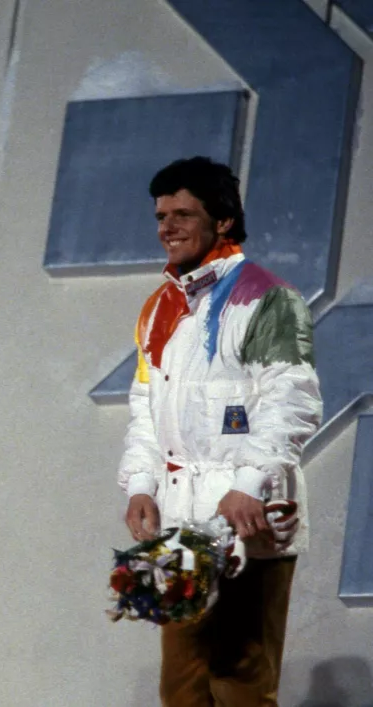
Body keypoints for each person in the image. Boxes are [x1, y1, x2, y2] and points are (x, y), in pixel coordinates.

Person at [118, 156, 322, 706]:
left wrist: (249, 483)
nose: (168, 227)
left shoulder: (267, 298)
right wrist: (140, 484)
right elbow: (145, 407)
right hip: (179, 521)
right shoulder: (159, 308)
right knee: (181, 690)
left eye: (184, 213)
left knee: (241, 687)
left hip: (247, 522)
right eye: (161, 215)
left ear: (224, 221)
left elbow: (292, 402)